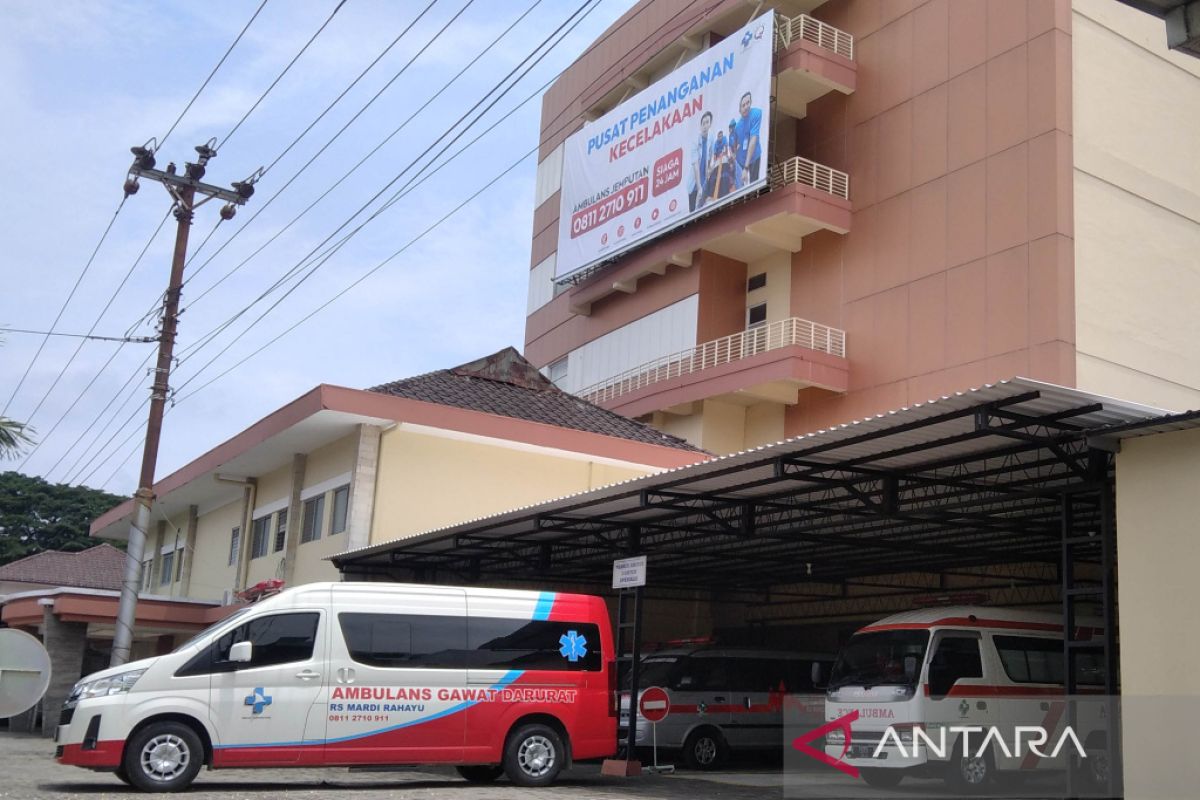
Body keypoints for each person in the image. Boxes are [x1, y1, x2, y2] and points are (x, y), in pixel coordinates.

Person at [734, 91, 763, 185]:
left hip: (754, 156)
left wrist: (746, 168)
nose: (746, 107)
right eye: (743, 105)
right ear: (739, 109)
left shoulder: (756, 113)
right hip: (741, 159)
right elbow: (735, 146)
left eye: (748, 103)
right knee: (741, 187)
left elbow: (753, 140)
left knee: (754, 185)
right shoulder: (737, 127)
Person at [688, 111, 713, 212]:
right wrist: (699, 188)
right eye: (703, 123)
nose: (705, 126)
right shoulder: (695, 141)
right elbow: (696, 165)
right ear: (700, 125)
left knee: (703, 209)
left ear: (710, 124)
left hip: (704, 180)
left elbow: (711, 154)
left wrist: (709, 168)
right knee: (693, 212)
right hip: (695, 183)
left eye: (707, 122)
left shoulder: (711, 138)